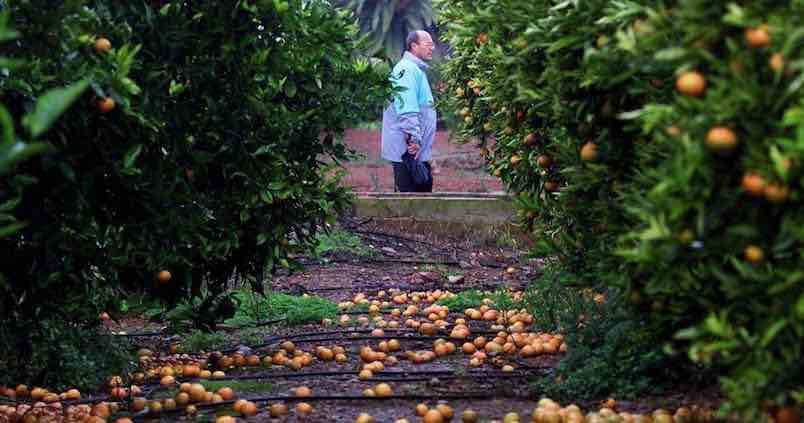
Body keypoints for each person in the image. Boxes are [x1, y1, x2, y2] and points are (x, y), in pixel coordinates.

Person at [381, 30, 436, 192]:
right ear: (414, 46)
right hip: (409, 151)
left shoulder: (415, 70)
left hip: (417, 151)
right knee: (411, 200)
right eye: (428, 44)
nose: (432, 48)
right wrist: (414, 140)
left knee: (422, 194)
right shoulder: (406, 70)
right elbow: (407, 108)